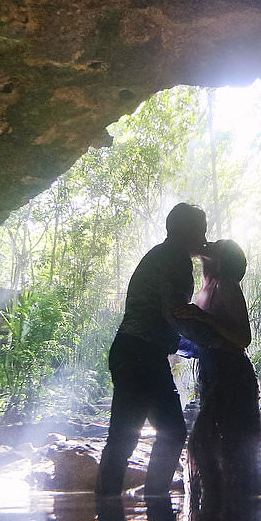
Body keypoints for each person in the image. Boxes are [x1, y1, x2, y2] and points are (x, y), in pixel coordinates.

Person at [96, 203, 208, 496]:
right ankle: (153, 505)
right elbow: (175, 314)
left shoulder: (160, 254)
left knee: (126, 437)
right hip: (142, 353)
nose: (205, 236)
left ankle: (112, 510)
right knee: (167, 433)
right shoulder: (176, 259)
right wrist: (208, 344)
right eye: (202, 230)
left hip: (133, 350)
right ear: (189, 231)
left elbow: (166, 317)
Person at [171, 238, 261, 509]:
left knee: (223, 445)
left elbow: (243, 339)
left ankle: (231, 516)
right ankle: (215, 515)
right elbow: (205, 340)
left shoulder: (226, 284)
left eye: (216, 245)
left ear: (222, 259)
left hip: (232, 375)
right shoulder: (204, 288)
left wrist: (203, 318)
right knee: (210, 443)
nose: (208, 244)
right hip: (213, 373)